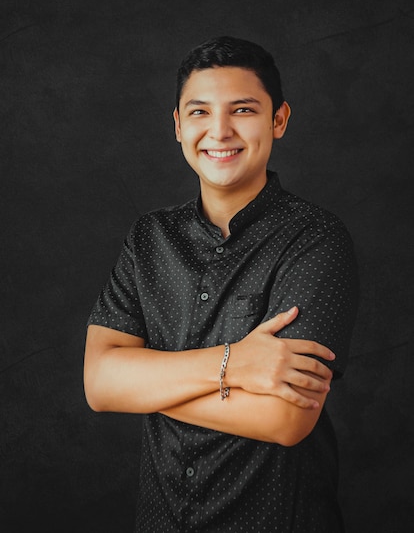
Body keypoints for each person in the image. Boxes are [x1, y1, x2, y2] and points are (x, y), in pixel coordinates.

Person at [84, 35, 358, 532]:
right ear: (177, 125)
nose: (220, 131)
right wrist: (236, 364)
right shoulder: (148, 238)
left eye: (243, 109)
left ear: (279, 120)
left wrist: (144, 384)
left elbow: (286, 420)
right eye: (199, 112)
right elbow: (99, 385)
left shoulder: (316, 238)